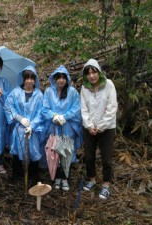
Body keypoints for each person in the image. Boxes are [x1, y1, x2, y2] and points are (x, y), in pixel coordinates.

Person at [81, 59, 117, 200]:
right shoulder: (84, 88)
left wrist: (100, 126)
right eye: (88, 73)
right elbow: (83, 109)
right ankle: (92, 180)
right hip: (89, 129)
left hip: (107, 128)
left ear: (99, 72)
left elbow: (112, 107)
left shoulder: (108, 85)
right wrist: (89, 126)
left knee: (106, 158)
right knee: (89, 156)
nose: (92, 76)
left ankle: (106, 185)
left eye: (94, 72)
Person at [41, 65, 82, 191]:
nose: (61, 80)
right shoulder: (48, 91)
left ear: (67, 79)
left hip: (68, 126)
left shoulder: (72, 92)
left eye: (63, 78)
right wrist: (54, 116)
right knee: (54, 152)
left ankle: (65, 178)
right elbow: (45, 108)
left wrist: (65, 116)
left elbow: (77, 108)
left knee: (66, 151)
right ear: (54, 79)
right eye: (58, 78)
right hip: (53, 127)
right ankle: (56, 177)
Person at [4, 66, 44, 184]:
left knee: (34, 151)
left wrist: (32, 125)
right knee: (17, 150)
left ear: (35, 80)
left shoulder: (39, 95)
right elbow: (8, 107)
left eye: (32, 78)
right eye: (27, 78)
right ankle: (16, 174)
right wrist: (19, 118)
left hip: (33, 130)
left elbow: (41, 113)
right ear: (23, 79)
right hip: (19, 129)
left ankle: (34, 176)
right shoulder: (16, 92)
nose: (29, 81)